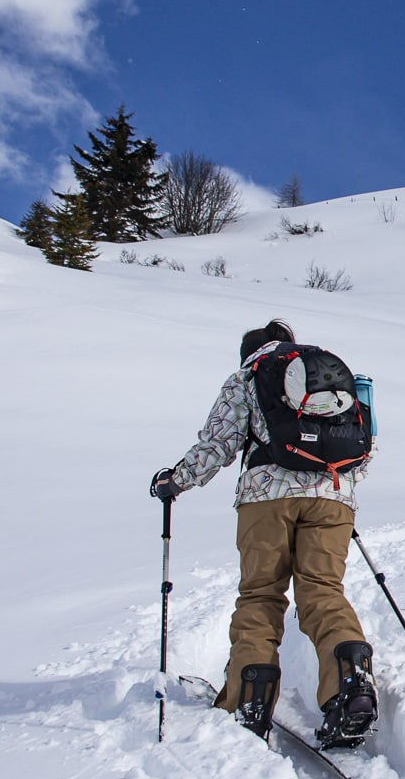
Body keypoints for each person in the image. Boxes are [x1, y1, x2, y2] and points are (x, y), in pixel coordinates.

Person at [149, 319, 379, 747]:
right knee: (324, 592)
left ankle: (249, 698)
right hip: (332, 497)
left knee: (261, 595)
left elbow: (218, 444)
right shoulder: (329, 373)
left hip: (266, 498)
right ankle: (351, 686)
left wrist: (175, 481)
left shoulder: (248, 375)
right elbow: (362, 450)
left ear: (248, 351)